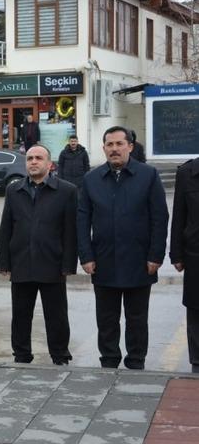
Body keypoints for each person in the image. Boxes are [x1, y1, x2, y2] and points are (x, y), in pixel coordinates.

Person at [77, 126, 168, 370]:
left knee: (137, 318)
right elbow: (82, 220)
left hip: (140, 261)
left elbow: (160, 218)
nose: (114, 149)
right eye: (110, 144)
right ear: (104, 148)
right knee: (106, 318)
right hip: (103, 260)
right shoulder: (91, 179)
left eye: (119, 144)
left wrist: (156, 255)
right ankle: (109, 360)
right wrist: (86, 256)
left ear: (130, 146)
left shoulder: (148, 175)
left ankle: (136, 361)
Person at [0, 145, 77, 366]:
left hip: (52, 263)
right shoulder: (14, 190)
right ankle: (21, 354)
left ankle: (60, 355)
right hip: (21, 261)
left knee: (56, 315)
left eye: (39, 158)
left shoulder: (67, 191)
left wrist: (69, 264)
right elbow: (6, 227)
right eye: (30, 158)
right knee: (21, 314)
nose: (33, 162)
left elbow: (71, 231)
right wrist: (3, 262)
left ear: (49, 164)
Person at [170, 157, 199, 372]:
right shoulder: (187, 173)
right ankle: (197, 362)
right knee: (196, 308)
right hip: (195, 253)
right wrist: (176, 254)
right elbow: (179, 215)